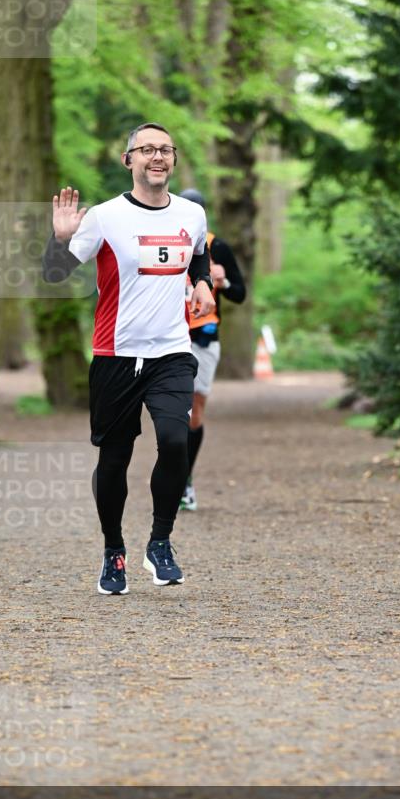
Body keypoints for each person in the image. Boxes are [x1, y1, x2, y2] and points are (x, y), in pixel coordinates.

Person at [42, 122, 216, 595]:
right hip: (115, 354)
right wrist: (59, 238)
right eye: (146, 150)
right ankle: (113, 550)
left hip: (172, 352)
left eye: (165, 150)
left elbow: (198, 253)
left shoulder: (192, 213)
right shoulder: (105, 217)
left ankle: (160, 543)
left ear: (173, 160)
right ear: (128, 160)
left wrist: (202, 282)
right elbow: (54, 273)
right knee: (115, 457)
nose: (157, 157)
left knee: (176, 442)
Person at [179, 188, 246, 511]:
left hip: (204, 338)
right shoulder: (166, 241)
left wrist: (224, 281)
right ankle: (172, 477)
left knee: (194, 412)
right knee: (171, 411)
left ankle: (185, 480)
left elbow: (240, 294)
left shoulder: (217, 247)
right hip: (169, 336)